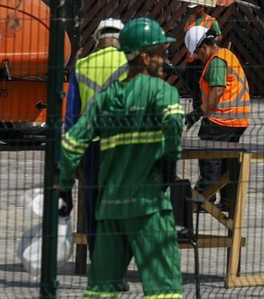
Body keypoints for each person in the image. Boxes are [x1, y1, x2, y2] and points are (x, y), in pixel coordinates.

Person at [58, 17, 185, 299]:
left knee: (100, 291)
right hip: (148, 209)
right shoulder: (162, 92)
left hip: (110, 210)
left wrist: (65, 189)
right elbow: (175, 122)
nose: (165, 60)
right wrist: (169, 162)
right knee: (163, 291)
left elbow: (69, 144)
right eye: (161, 53)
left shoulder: (103, 100)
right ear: (144, 56)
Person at [63, 17, 128, 252]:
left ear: (98, 39)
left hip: (92, 148)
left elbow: (70, 117)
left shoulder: (81, 66)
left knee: (94, 207)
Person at [186, 24, 250, 215]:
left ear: (204, 47)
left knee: (210, 160)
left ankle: (202, 200)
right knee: (227, 162)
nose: (198, 57)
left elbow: (217, 91)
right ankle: (228, 202)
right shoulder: (227, 56)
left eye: (198, 53)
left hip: (221, 119)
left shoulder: (216, 61)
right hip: (237, 120)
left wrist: (198, 113)